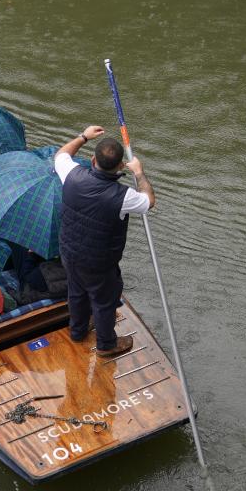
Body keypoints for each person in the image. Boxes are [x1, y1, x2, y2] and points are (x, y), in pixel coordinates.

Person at [55, 125, 155, 357]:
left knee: (77, 291)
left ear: (92, 160)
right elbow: (149, 201)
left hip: (69, 251)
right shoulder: (124, 196)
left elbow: (62, 154)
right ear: (121, 166)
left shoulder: (71, 174)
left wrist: (83, 137)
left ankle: (78, 331)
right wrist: (139, 172)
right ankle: (106, 345)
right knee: (104, 301)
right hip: (99, 262)